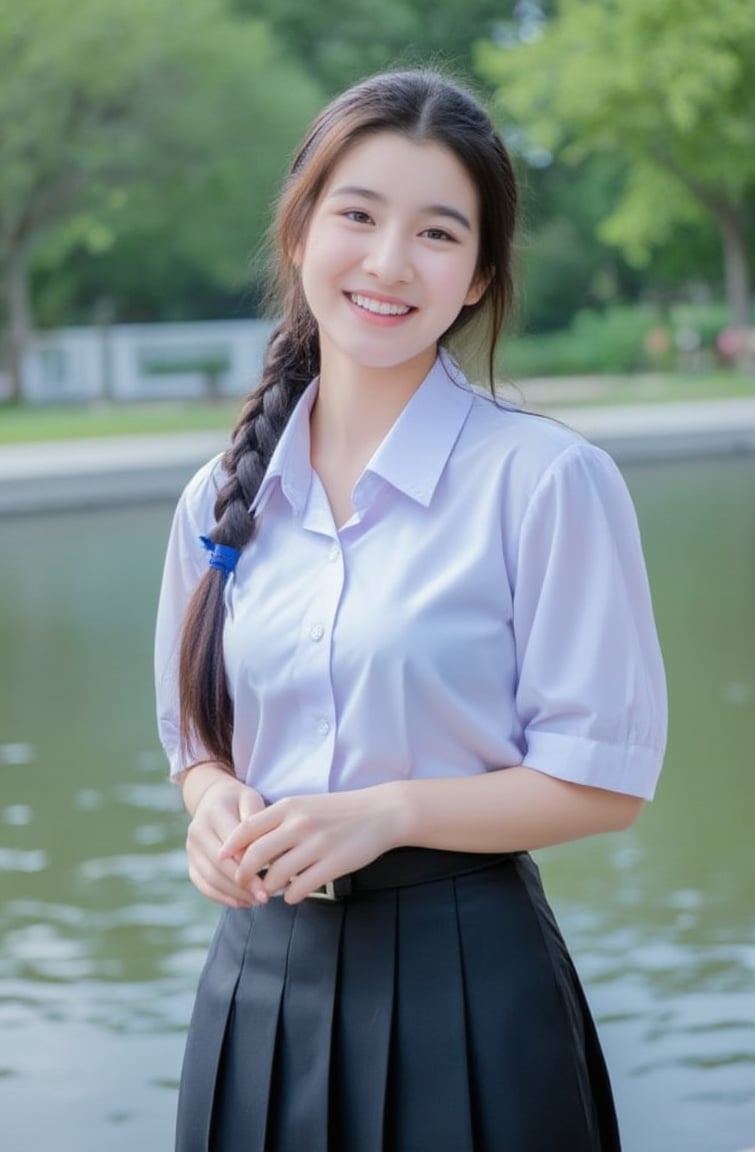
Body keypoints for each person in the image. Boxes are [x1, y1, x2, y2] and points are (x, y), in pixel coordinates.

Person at [154, 68, 667, 1152]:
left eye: (438, 233)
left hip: (468, 986)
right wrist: (212, 812)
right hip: (256, 988)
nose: (388, 263)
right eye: (356, 215)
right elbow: (195, 741)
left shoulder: (546, 480)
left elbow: (602, 778)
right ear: (300, 232)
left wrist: (391, 810)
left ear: (479, 276)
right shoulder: (219, 496)